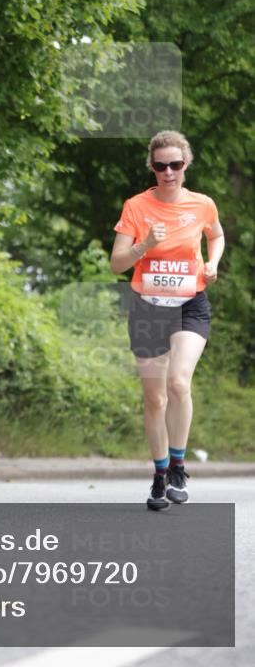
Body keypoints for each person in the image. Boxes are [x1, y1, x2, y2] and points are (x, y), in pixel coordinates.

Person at [110, 130, 224, 510]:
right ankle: (159, 475)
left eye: (176, 164)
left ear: (186, 164)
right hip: (147, 308)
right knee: (155, 396)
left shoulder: (203, 204)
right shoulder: (136, 206)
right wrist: (145, 245)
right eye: (161, 166)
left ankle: (178, 466)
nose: (169, 172)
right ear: (152, 168)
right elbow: (117, 264)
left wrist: (213, 262)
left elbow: (217, 235)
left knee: (178, 382)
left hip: (190, 304)